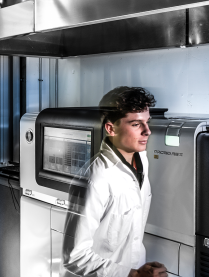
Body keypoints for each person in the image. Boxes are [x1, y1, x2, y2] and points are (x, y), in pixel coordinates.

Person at [62, 86, 168, 277]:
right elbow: (75, 257)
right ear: (111, 128)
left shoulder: (141, 159)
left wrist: (140, 269)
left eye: (147, 122)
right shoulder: (96, 179)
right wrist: (133, 274)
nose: (147, 131)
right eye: (136, 124)